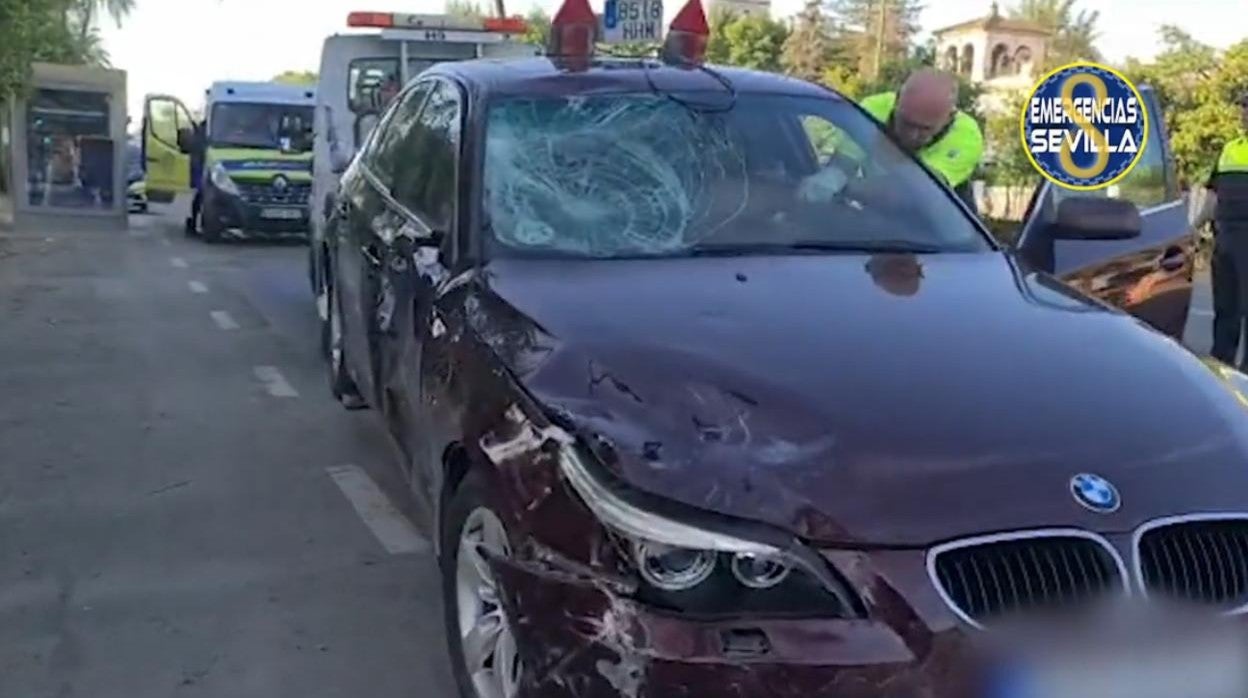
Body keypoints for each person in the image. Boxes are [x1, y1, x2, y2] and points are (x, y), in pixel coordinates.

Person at [858, 69, 985, 213]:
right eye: (906, 123)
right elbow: (840, 163)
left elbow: (916, 192)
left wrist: (848, 188)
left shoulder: (966, 136)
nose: (912, 135)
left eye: (924, 129)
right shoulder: (870, 110)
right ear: (897, 101)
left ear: (949, 117)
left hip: (935, 223)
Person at [1199, 95, 1248, 367]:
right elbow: (1212, 198)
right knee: (1225, 310)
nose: (1244, 114)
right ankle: (1221, 369)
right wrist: (1193, 227)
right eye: (1244, 108)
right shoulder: (1231, 149)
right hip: (1225, 237)